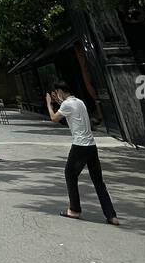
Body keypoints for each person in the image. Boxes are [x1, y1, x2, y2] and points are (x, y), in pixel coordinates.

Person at [46, 84, 120, 224]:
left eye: (57, 92)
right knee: (98, 181)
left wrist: (49, 104)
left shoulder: (66, 105)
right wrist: (59, 100)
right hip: (92, 146)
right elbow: (68, 107)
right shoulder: (79, 102)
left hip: (80, 145)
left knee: (70, 174)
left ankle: (74, 209)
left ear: (60, 91)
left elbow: (54, 118)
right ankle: (111, 215)